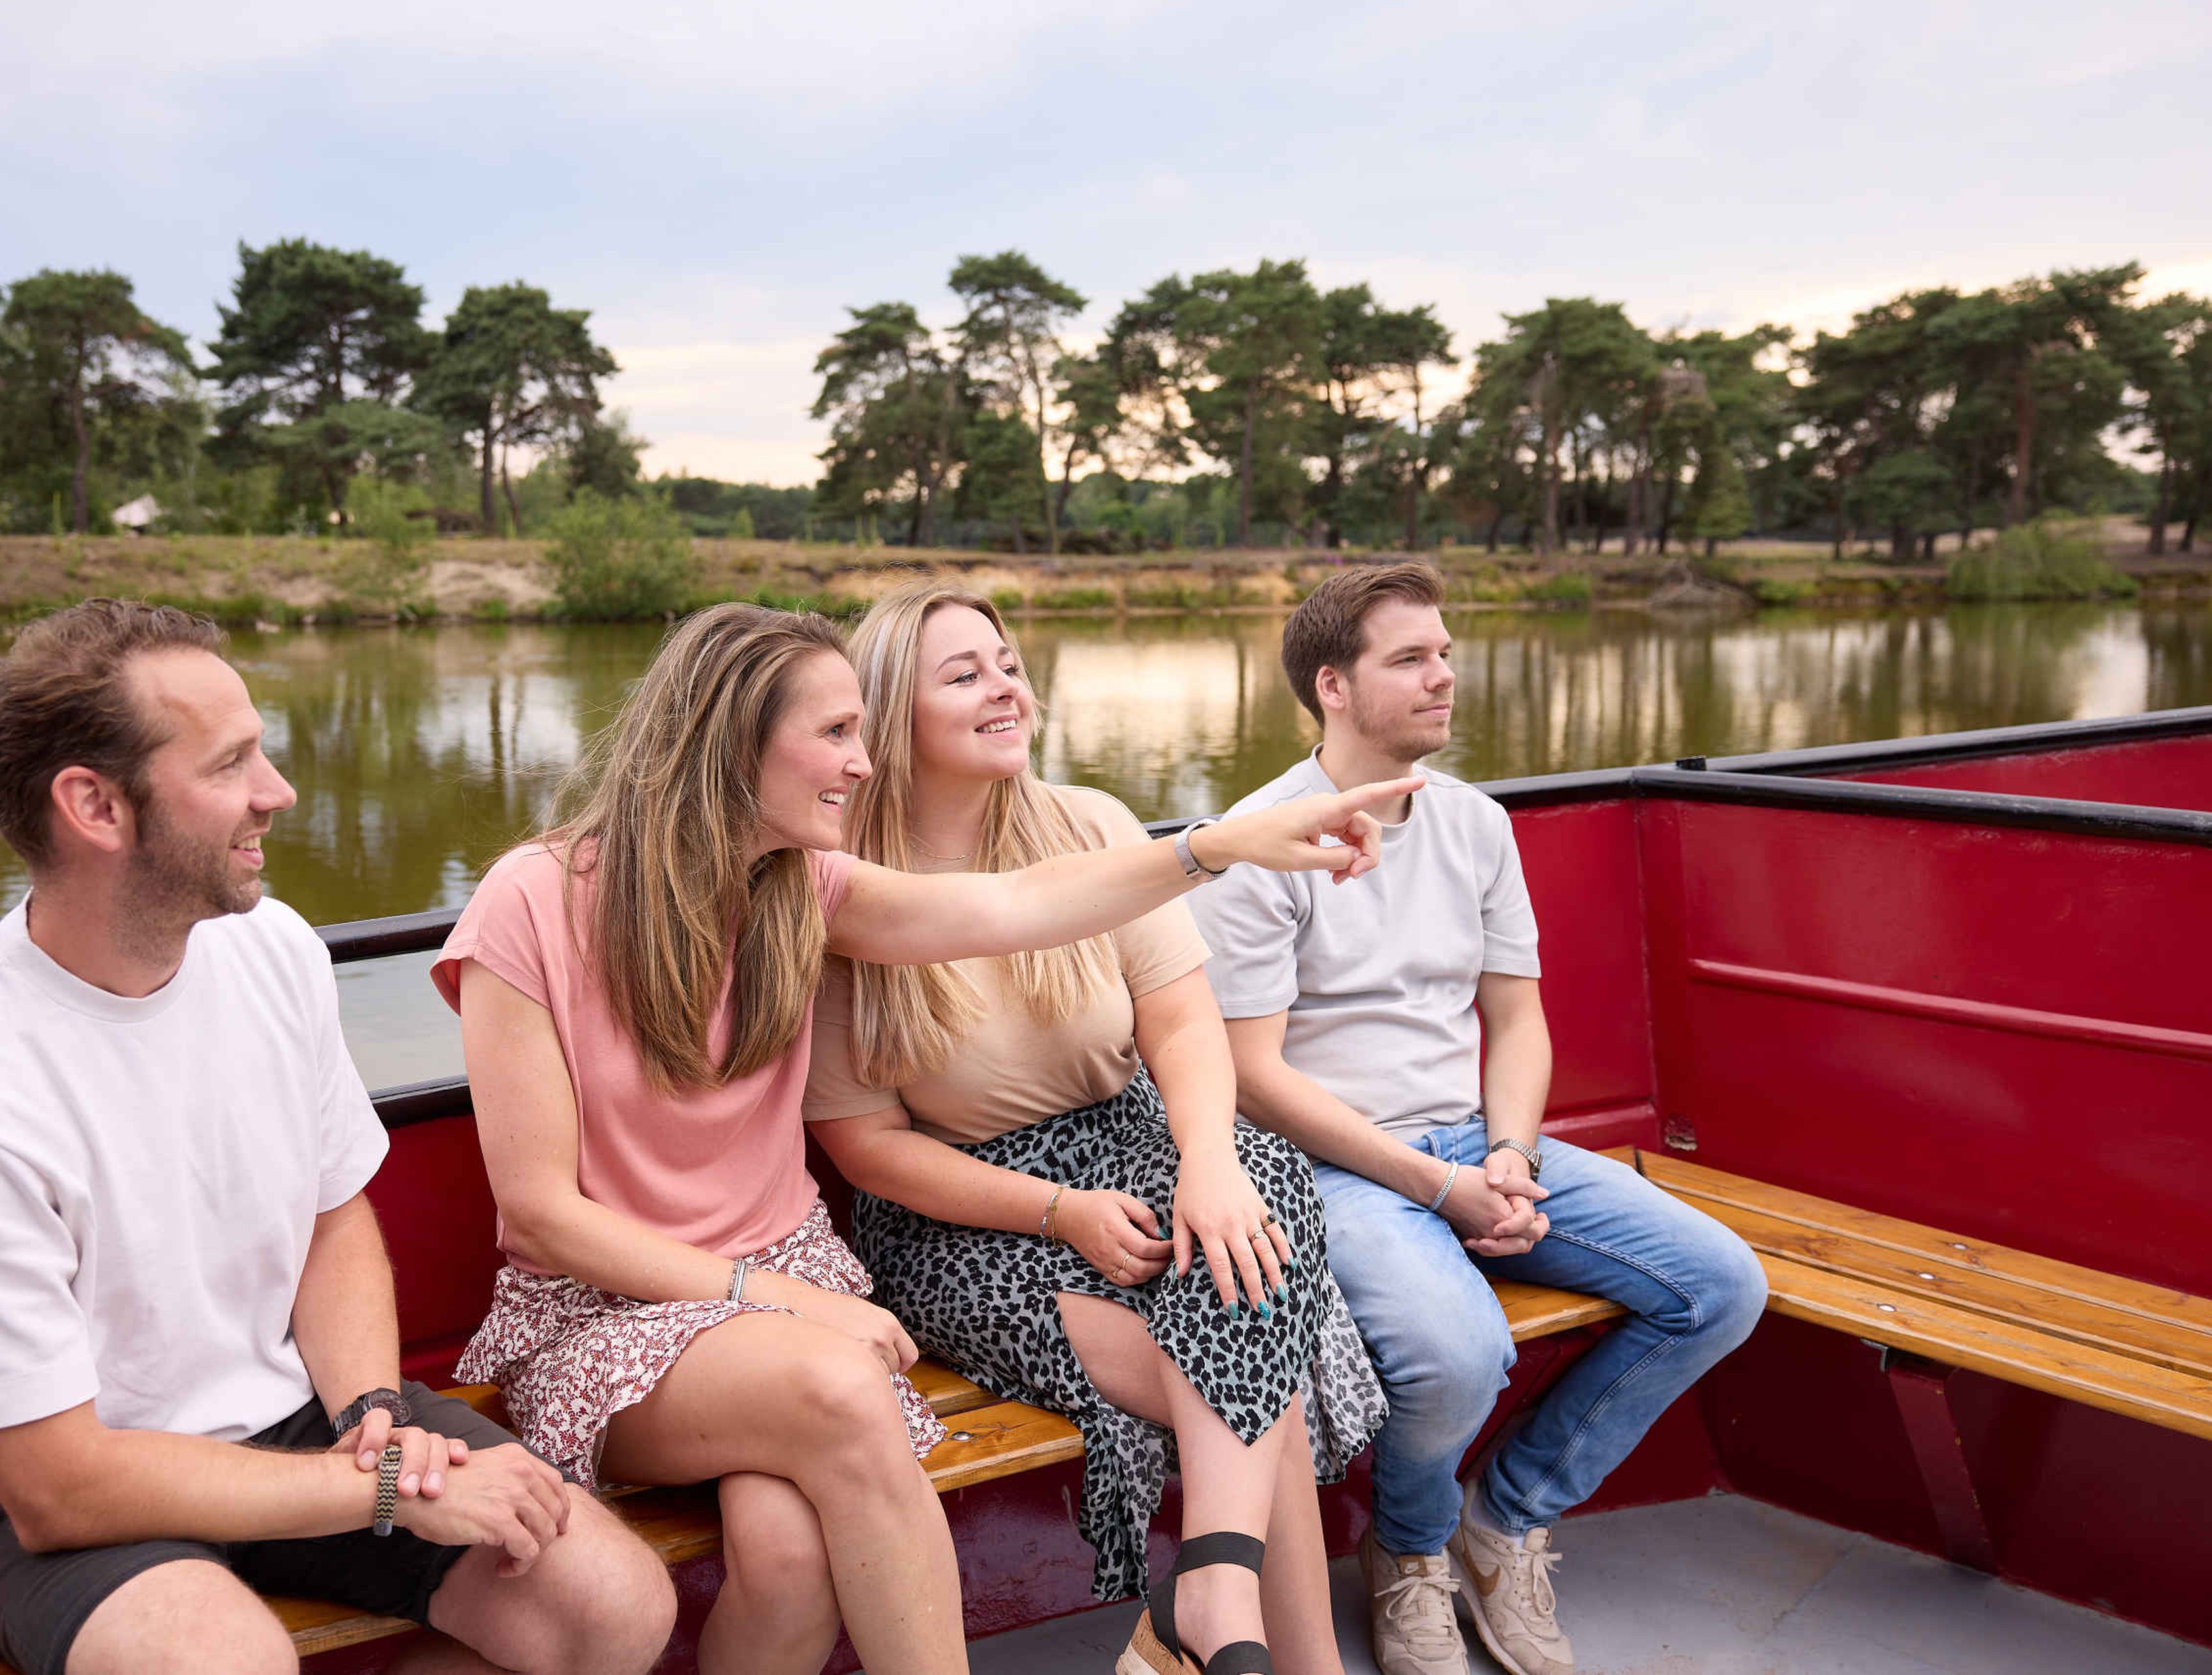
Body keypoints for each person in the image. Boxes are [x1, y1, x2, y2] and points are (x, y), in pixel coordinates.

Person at [434, 601, 1414, 1675]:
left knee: (791, 1558)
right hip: (609, 1308)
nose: (862, 764)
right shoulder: (532, 900)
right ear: (732, 740)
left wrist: (1215, 844)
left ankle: (1238, 1617)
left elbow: (1012, 906)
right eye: (835, 735)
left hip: (785, 1282)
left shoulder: (798, 887)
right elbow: (540, 1210)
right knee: (843, 1391)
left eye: (863, 730)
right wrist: (786, 1301)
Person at [0, 600, 675, 1675]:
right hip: (41, 1483)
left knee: (610, 1604)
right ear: (94, 805)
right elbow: (56, 1485)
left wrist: (374, 1416)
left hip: (291, 1416)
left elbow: (332, 1216)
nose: (277, 791)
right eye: (233, 761)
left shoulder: (270, 947)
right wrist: (386, 1488)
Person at [1187, 564, 1767, 1675]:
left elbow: (1518, 1015)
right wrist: (1436, 1186)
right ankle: (1407, 1553)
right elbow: (1253, 1075)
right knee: (1461, 1355)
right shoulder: (1260, 843)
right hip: (1333, 1166)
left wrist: (1504, 1154)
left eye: (1445, 652)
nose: (1445, 676)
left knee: (1721, 1287)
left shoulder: (1476, 823)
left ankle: (1502, 1516)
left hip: (1473, 1135)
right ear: (1334, 687)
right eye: (1411, 658)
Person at [800, 583, 1386, 1675]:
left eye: (1010, 662)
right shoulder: (845, 893)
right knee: (1259, 1377)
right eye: (964, 673)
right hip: (961, 1210)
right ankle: (1244, 1638)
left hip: (1128, 1143)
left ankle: (1207, 1606)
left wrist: (1205, 1160)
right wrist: (1061, 1212)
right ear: (888, 713)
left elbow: (1182, 1020)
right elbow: (865, 1147)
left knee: (1252, 1193)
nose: (1005, 686)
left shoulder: (1093, 824)